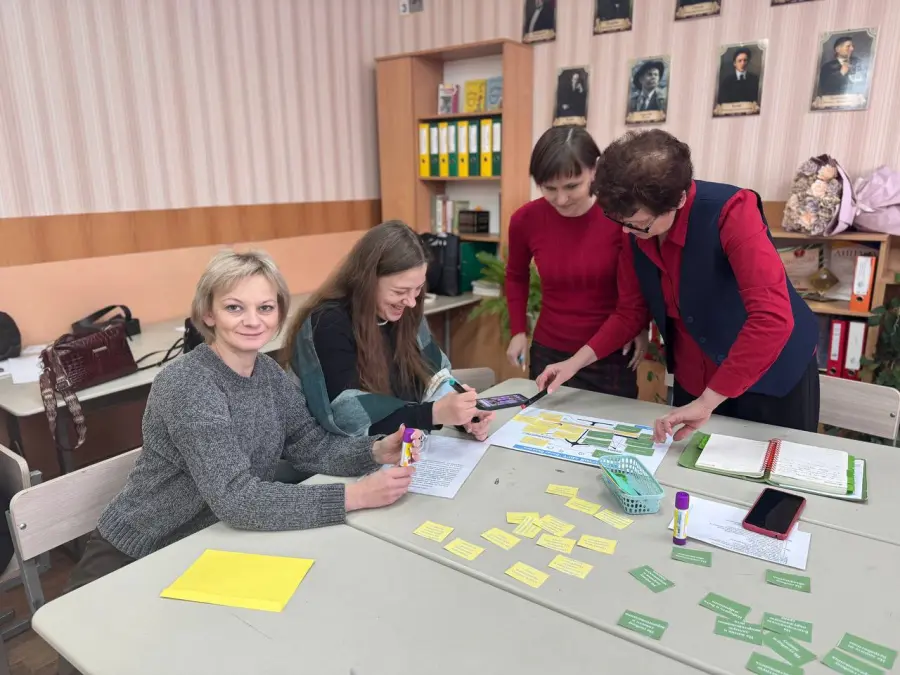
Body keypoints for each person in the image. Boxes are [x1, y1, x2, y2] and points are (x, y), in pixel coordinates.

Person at [58, 250, 419, 675]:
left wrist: (374, 451)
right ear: (208, 313)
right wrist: (354, 496)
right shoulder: (188, 384)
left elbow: (310, 445)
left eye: (265, 307)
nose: (253, 321)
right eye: (235, 308)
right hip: (138, 553)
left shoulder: (268, 374)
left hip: (210, 547)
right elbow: (237, 499)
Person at [537, 129, 820, 441]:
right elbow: (630, 313)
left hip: (768, 376)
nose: (628, 231)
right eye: (621, 222)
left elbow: (771, 318)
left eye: (638, 223)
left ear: (678, 200)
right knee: (685, 463)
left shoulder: (732, 211)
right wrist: (573, 364)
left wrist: (708, 402)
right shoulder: (634, 228)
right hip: (694, 377)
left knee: (767, 467)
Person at [282, 221, 494, 441]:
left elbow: (433, 377)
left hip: (402, 448)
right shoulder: (328, 323)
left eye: (418, 289)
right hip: (339, 453)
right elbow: (347, 418)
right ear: (367, 281)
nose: (411, 302)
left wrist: (461, 413)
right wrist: (433, 413)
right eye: (400, 291)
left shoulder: (407, 311)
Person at [505, 126, 648, 399]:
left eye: (572, 186)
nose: (561, 199)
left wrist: (640, 325)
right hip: (548, 351)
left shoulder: (620, 217)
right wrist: (518, 331)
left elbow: (637, 291)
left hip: (609, 353)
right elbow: (516, 276)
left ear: (594, 170)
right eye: (549, 188)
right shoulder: (525, 220)